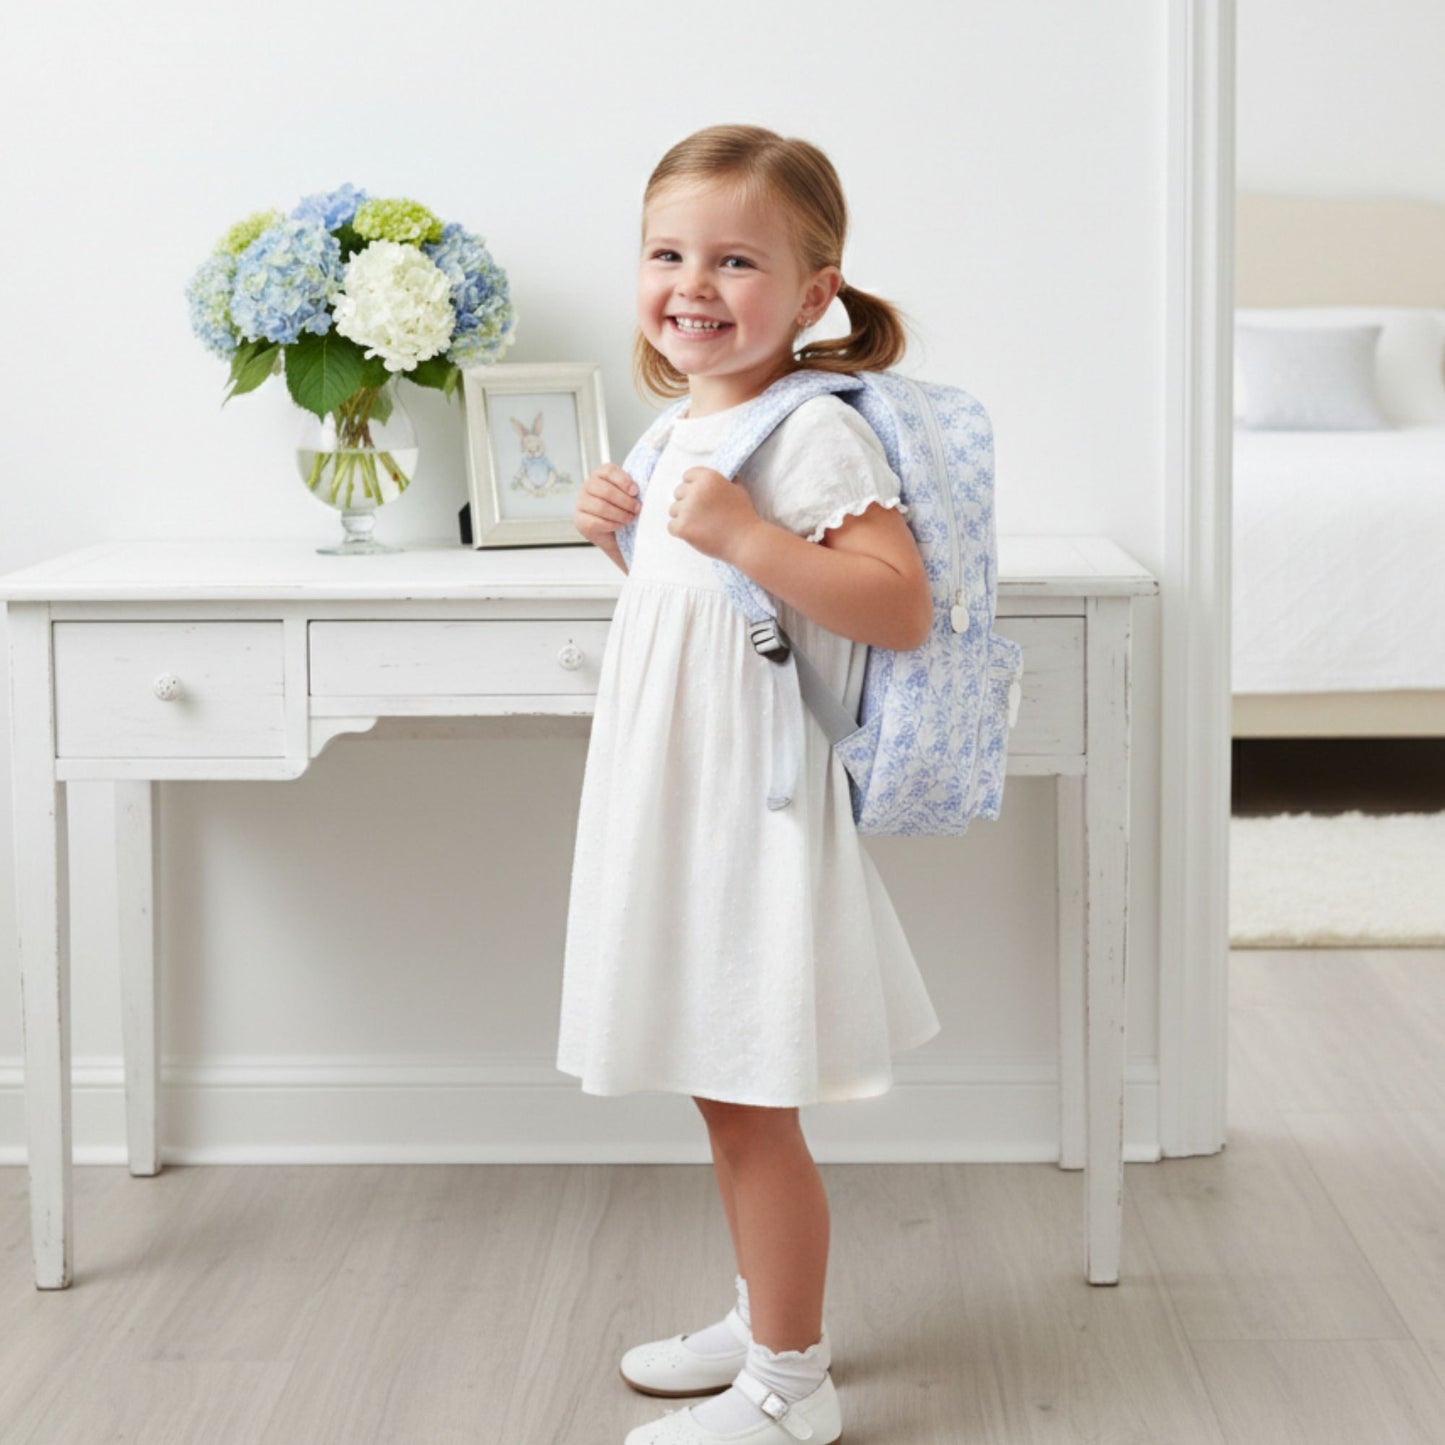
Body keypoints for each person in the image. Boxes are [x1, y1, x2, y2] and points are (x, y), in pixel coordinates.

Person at [557, 123, 942, 1445]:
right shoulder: (682, 420)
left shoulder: (813, 431)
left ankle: (788, 1382)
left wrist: (747, 528)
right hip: (680, 798)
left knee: (745, 1092)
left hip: (747, 806)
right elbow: (716, 609)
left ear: (815, 289)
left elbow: (894, 608)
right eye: (667, 253)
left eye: (735, 258)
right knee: (717, 1077)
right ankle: (763, 1311)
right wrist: (630, 538)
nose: (692, 283)